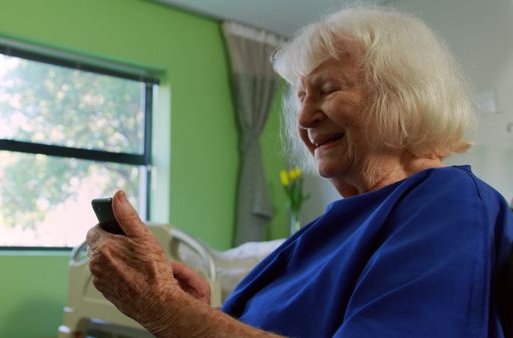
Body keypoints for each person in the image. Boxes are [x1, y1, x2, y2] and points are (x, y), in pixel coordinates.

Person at [86, 6, 513, 337]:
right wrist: (198, 310)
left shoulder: (447, 204)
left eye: (326, 91)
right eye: (301, 97)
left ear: (401, 96)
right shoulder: (339, 223)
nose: (305, 118)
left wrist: (163, 308)